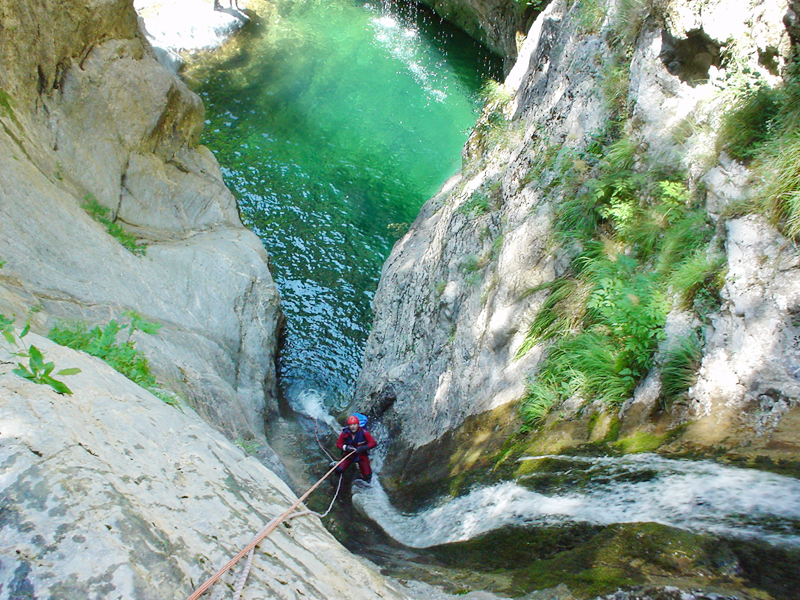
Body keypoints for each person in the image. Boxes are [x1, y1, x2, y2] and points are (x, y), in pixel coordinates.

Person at [334, 415, 377, 483]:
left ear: (358, 425)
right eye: (351, 425)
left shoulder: (364, 432)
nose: (353, 427)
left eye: (355, 424)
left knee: (368, 476)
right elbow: (339, 444)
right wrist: (346, 448)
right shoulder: (345, 433)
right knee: (339, 470)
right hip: (349, 455)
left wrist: (363, 448)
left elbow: (373, 443)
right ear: (348, 426)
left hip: (361, 455)